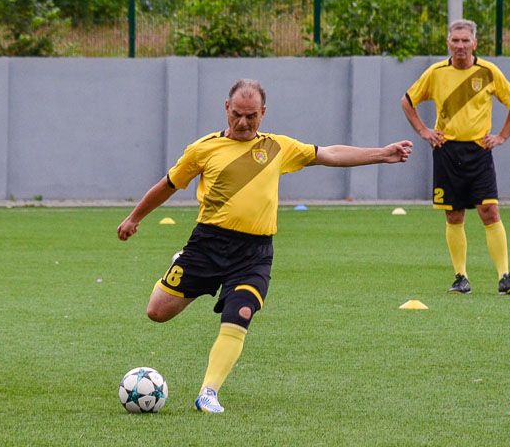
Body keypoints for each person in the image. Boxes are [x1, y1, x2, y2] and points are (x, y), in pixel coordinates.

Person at [117, 79, 412, 413]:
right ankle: (180, 264)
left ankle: (208, 393)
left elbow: (328, 154)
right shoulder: (203, 149)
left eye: (252, 116)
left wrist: (382, 154)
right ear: (227, 109)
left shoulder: (276, 147)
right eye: (238, 115)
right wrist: (134, 218)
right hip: (207, 246)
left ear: (264, 113)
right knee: (157, 312)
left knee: (240, 312)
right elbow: (168, 185)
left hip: (254, 254)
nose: (244, 123)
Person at [400, 19, 510, 296]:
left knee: (489, 211)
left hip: (479, 152)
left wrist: (502, 136)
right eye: (455, 41)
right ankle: (461, 277)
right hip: (447, 151)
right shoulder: (435, 73)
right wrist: (423, 130)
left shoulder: (488, 72)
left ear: (474, 44)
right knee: (454, 215)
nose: (460, 45)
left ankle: (505, 277)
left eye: (465, 41)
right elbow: (407, 101)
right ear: (448, 43)